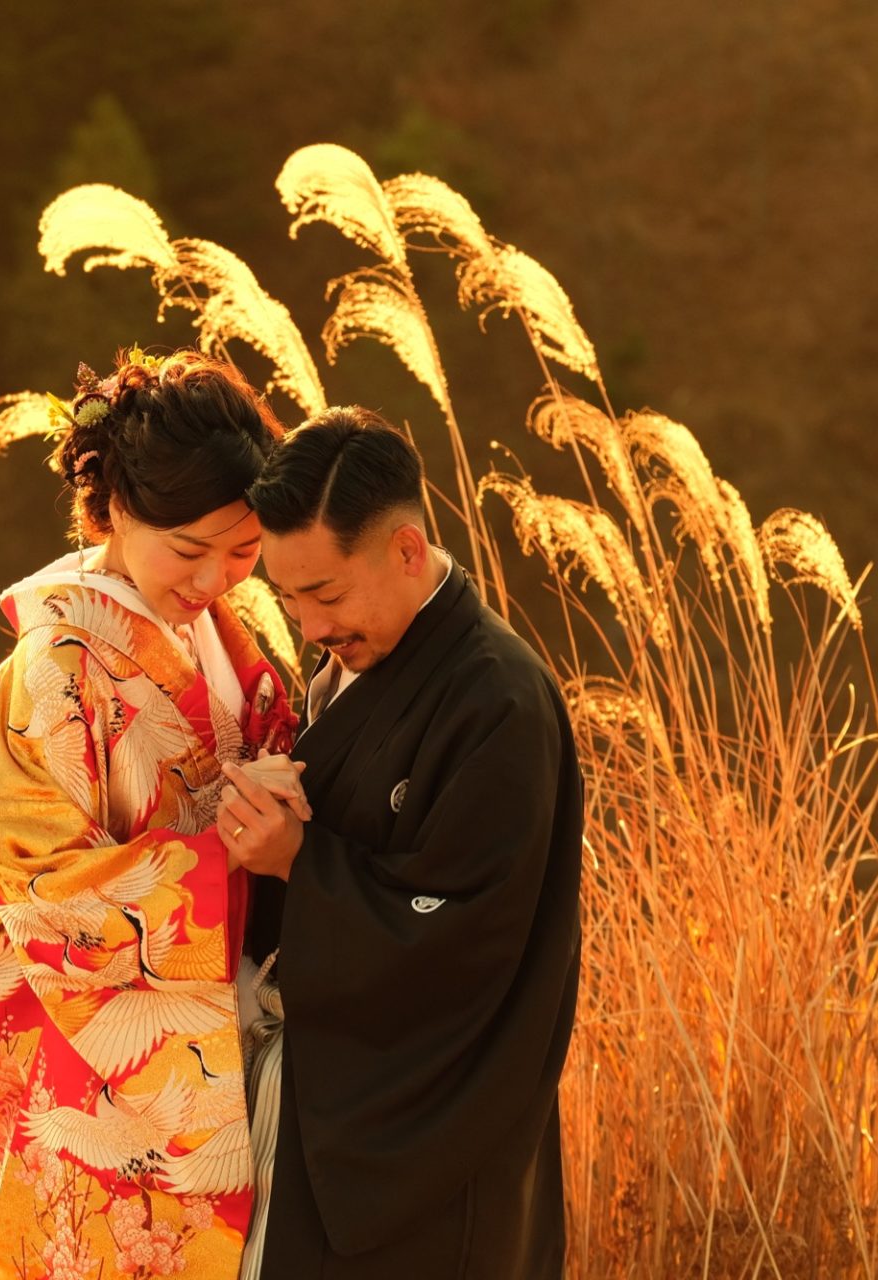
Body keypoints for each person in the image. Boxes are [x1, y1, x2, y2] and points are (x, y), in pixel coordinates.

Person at [0, 350, 306, 1277]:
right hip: (119, 1074)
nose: (215, 581)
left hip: (226, 1025)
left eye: (243, 553)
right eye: (192, 549)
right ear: (120, 508)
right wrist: (225, 858)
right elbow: (42, 887)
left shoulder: (210, 629)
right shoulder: (61, 665)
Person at [215, 406, 584, 1278]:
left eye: (327, 594)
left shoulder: (498, 701)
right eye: (289, 596)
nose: (307, 625)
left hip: (431, 1151)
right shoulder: (354, 664)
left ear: (408, 551)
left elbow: (463, 943)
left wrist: (300, 866)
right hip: (331, 1122)